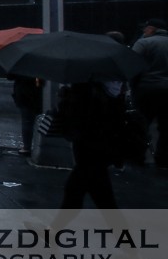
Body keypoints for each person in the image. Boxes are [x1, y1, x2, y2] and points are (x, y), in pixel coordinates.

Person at [58, 82, 125, 209]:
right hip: (95, 152)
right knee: (86, 194)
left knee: (77, 192)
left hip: (90, 152)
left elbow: (75, 122)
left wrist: (65, 100)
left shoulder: (87, 92)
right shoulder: (106, 91)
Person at [131, 17, 168, 168]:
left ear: (151, 29)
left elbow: (132, 65)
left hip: (147, 89)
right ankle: (163, 159)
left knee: (141, 124)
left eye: (145, 29)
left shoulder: (144, 42)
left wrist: (133, 87)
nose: (143, 31)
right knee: (166, 127)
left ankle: (138, 157)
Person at [10, 74, 43, 156]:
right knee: (32, 119)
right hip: (35, 92)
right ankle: (33, 145)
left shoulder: (21, 68)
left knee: (27, 121)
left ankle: (27, 147)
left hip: (24, 93)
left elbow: (10, 76)